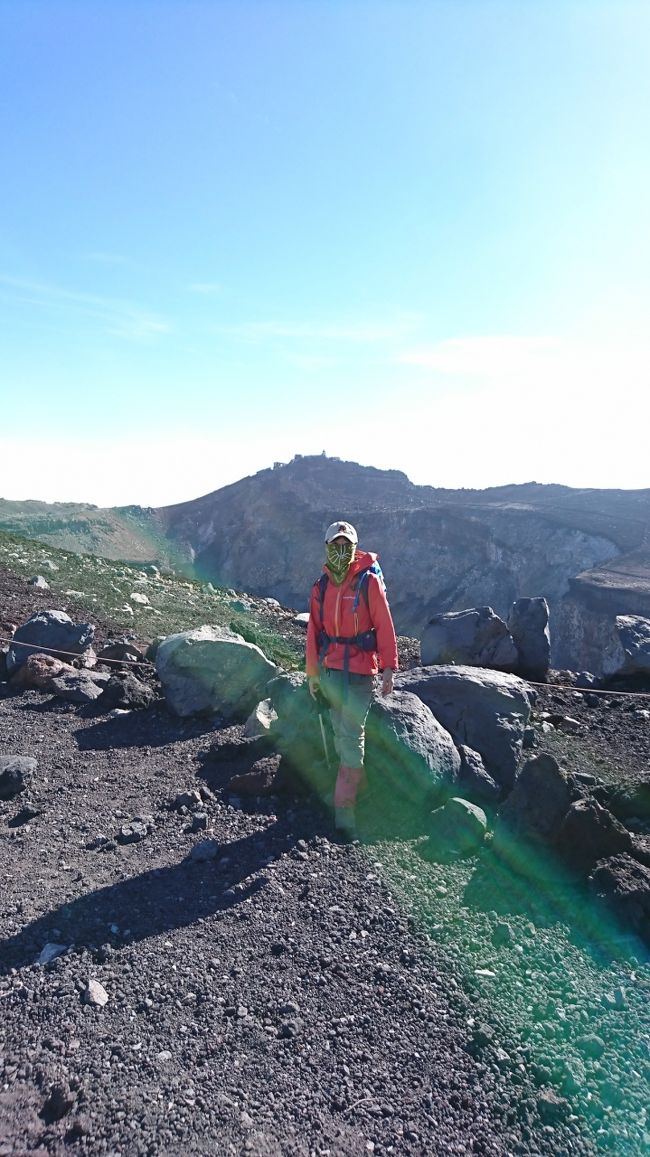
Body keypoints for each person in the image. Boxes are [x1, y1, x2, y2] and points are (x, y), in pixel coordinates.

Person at [306, 520, 398, 837]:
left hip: (361, 672)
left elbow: (384, 625)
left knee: (350, 734)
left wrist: (389, 668)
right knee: (338, 730)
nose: (341, 551)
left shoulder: (368, 582)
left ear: (355, 548)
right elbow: (314, 633)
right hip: (332, 670)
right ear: (327, 547)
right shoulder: (321, 587)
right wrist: (313, 674)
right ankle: (359, 787)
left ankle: (344, 805)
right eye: (335, 545)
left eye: (346, 546)